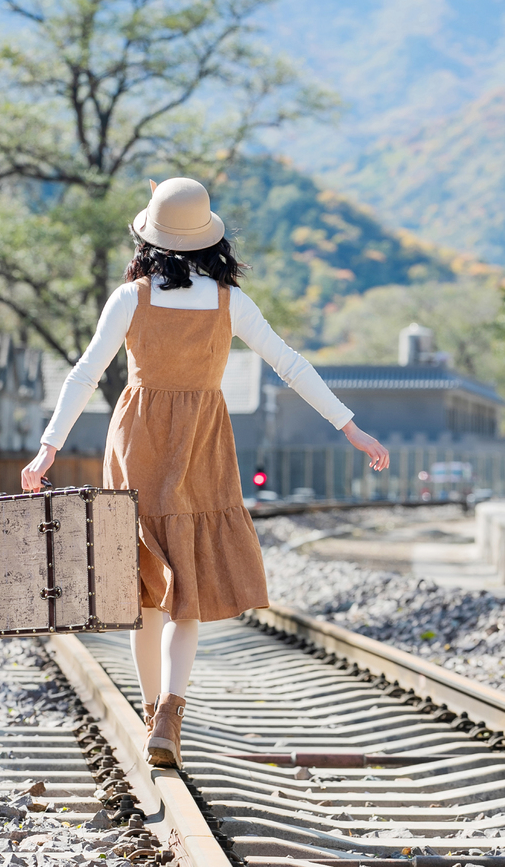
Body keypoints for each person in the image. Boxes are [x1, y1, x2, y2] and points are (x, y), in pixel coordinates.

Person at [21, 177, 389, 769]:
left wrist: (48, 448)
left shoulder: (131, 298)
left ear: (150, 238)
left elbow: (84, 374)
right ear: (208, 240)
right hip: (202, 445)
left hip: (137, 439)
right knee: (183, 595)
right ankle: (171, 709)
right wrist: (350, 427)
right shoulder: (228, 302)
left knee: (143, 591)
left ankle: (151, 719)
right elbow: (291, 366)